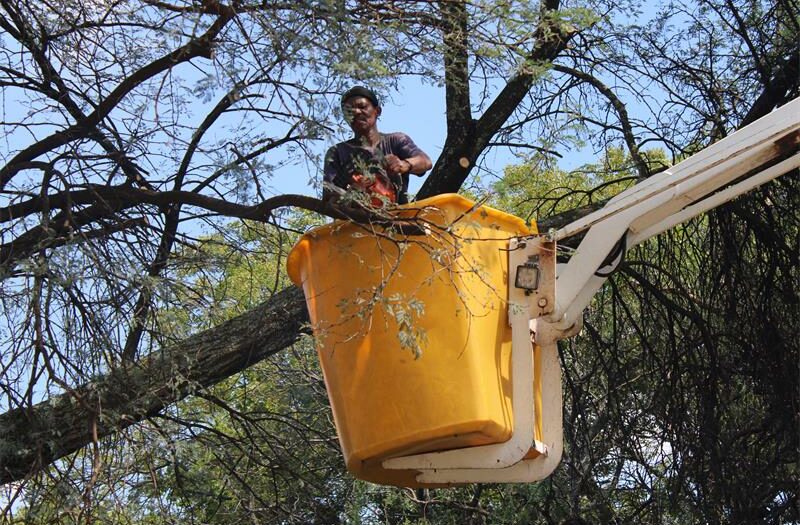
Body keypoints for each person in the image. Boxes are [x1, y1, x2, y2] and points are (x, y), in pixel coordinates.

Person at [323, 86, 432, 207]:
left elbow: (425, 162)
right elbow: (328, 199)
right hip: (354, 223)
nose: (356, 112)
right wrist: (354, 192)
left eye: (362, 107)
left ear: (377, 111)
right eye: (349, 110)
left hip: (397, 219)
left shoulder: (396, 140)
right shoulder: (337, 152)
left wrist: (403, 165)